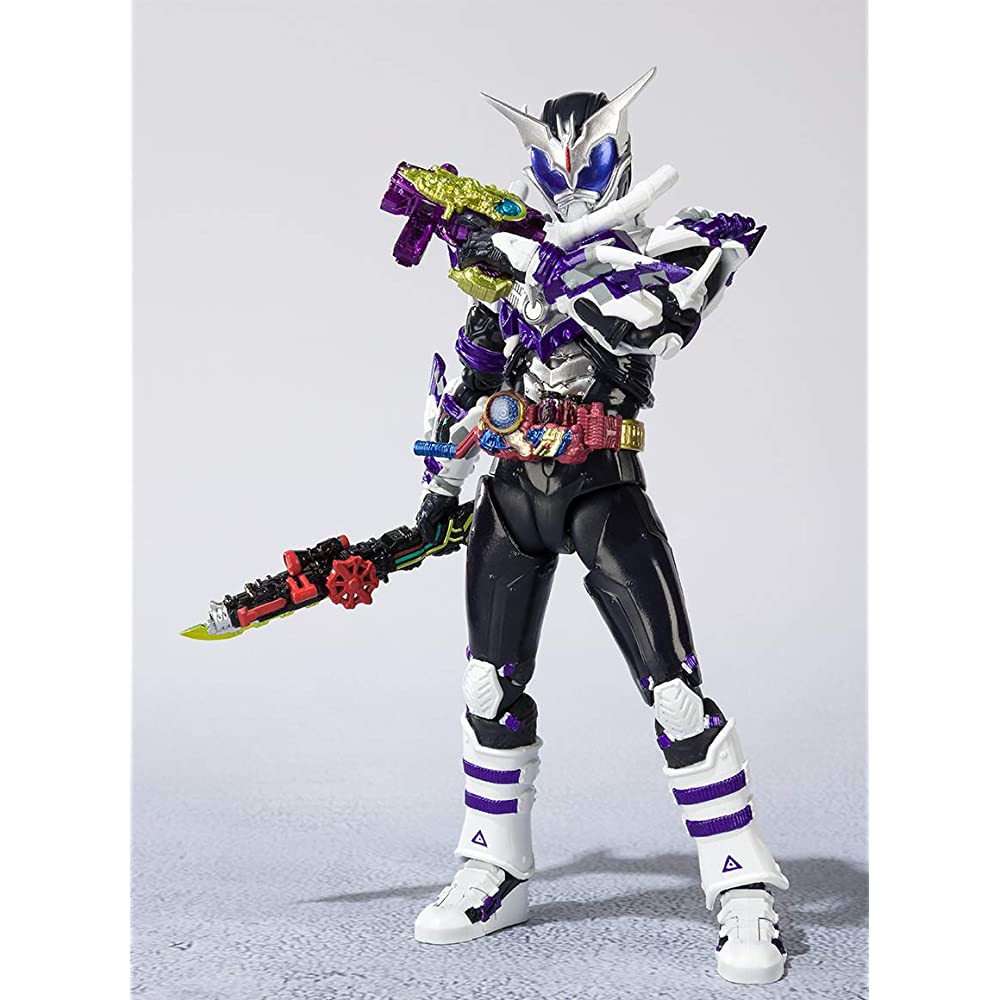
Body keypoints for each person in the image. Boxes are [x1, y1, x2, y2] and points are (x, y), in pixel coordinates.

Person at [411, 67, 789, 985]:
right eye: (556, 167)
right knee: (485, 686)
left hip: (600, 489)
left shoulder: (669, 247)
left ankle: (742, 885)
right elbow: (471, 383)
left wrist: (561, 272)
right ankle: (494, 867)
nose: (571, 183)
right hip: (511, 493)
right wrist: (439, 488)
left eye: (589, 164)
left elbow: (656, 323)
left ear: (619, 164)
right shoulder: (509, 271)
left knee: (674, 692)